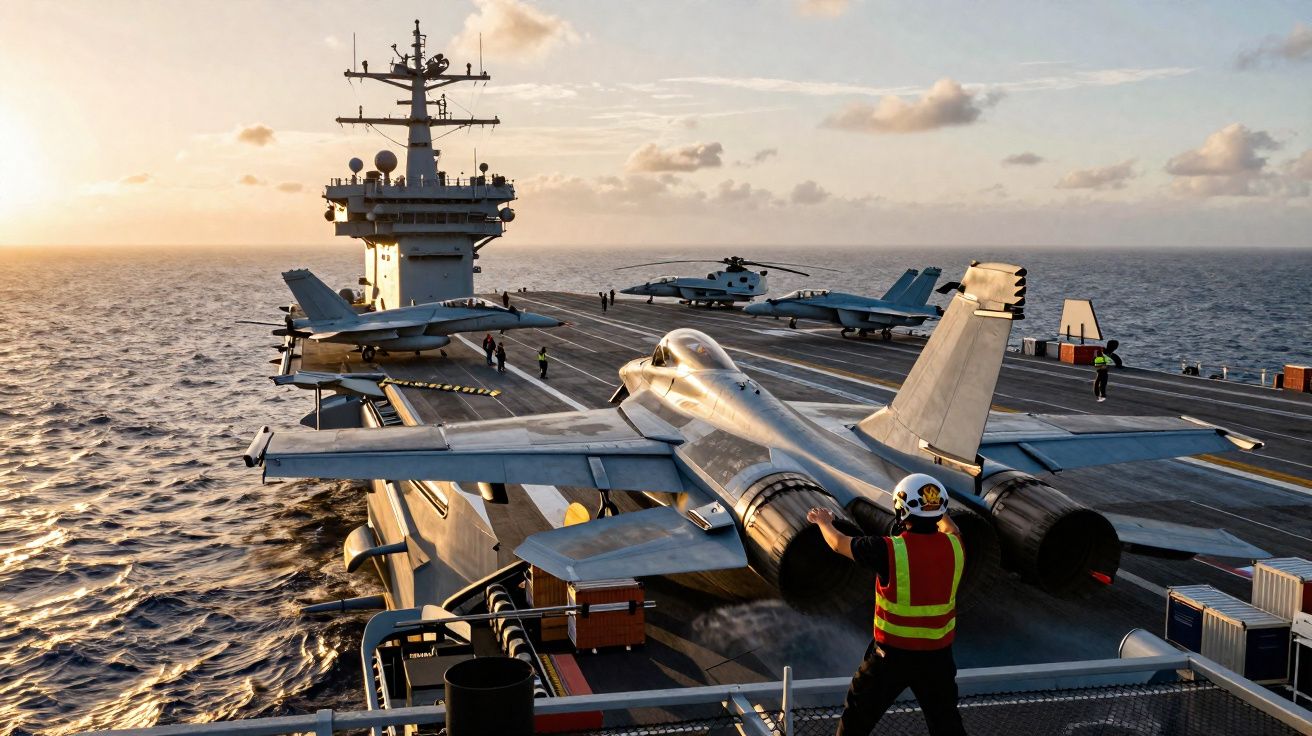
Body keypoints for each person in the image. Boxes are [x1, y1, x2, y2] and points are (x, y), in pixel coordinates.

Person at [808, 474, 967, 736]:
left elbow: (838, 544)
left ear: (901, 510)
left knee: (856, 720)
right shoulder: (956, 545)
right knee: (946, 725)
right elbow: (951, 528)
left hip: (891, 658)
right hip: (938, 658)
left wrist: (822, 521)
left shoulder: (888, 550)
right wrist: (938, 509)